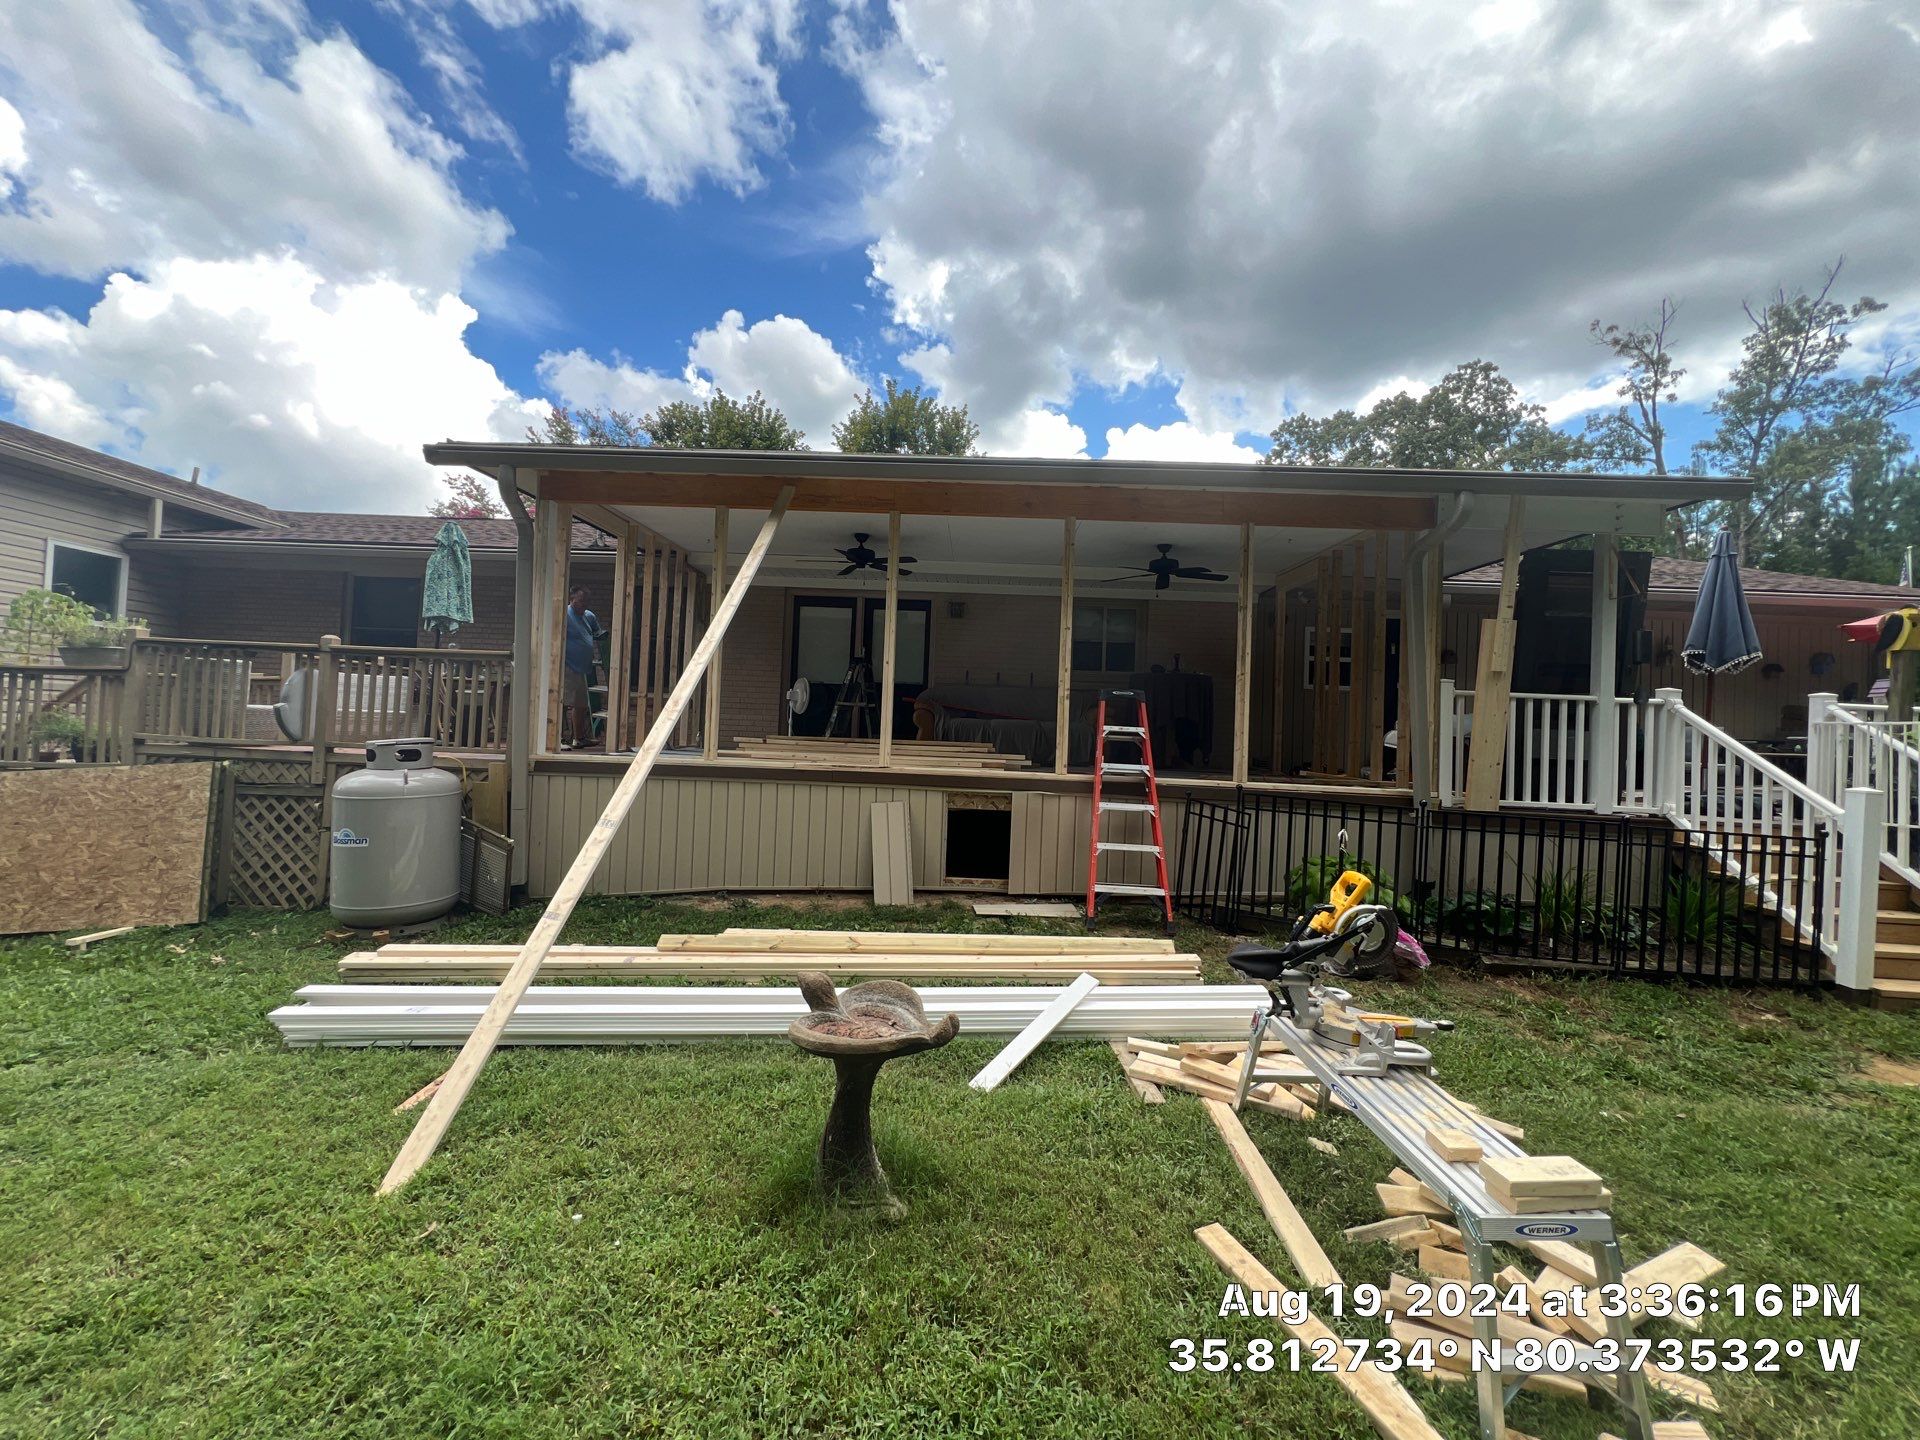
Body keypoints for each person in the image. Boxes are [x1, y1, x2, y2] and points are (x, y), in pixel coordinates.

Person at [563, 583, 602, 748]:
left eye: (586, 601)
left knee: (581, 704)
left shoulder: (589, 616)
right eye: (580, 601)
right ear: (571, 599)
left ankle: (578, 739)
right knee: (563, 702)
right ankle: (558, 739)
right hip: (567, 665)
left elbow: (598, 633)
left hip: (584, 668)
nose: (583, 605)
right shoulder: (564, 614)